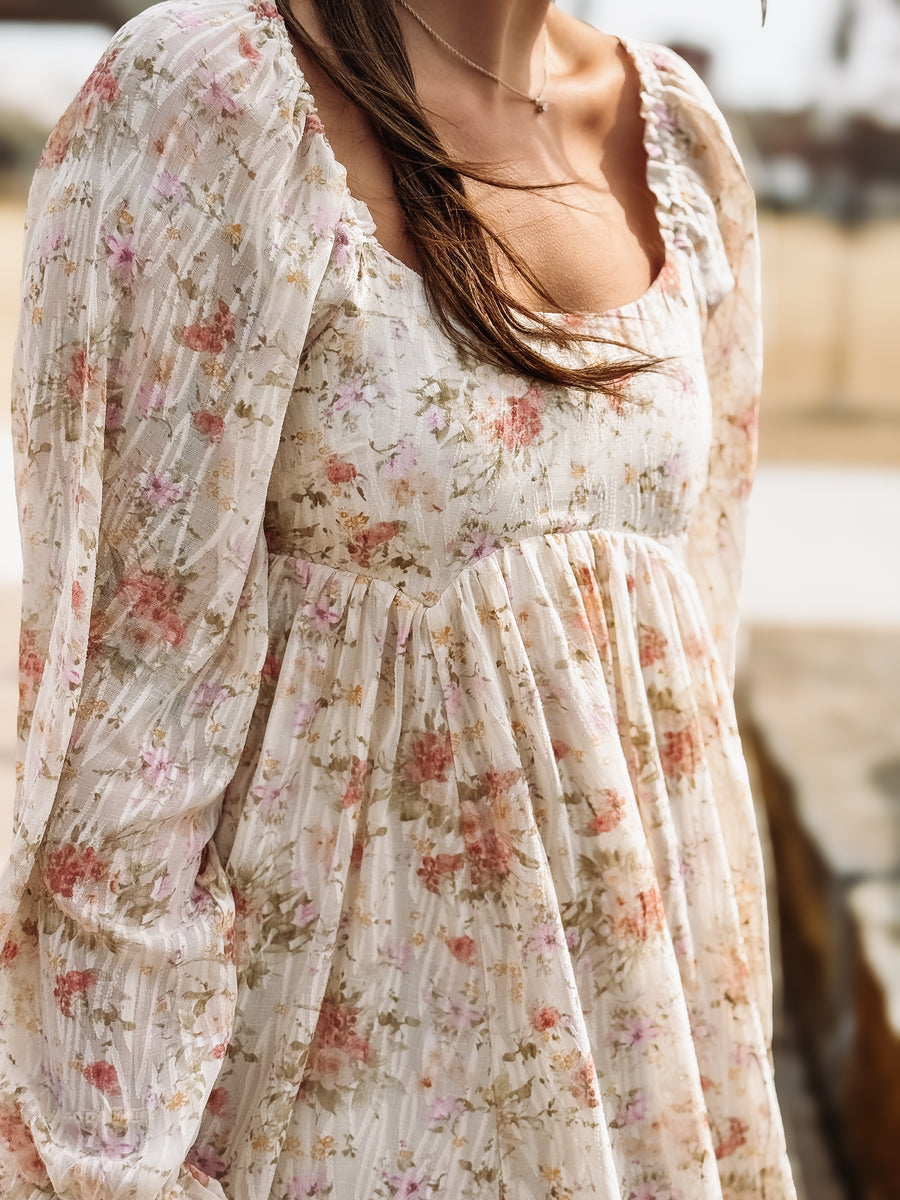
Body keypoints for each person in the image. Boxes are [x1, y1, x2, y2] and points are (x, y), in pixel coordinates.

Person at [0, 0, 798, 1196]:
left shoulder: (675, 130)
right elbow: (117, 713)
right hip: (332, 1083)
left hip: (628, 1067)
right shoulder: (220, 96)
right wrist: (108, 1157)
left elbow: (683, 676)